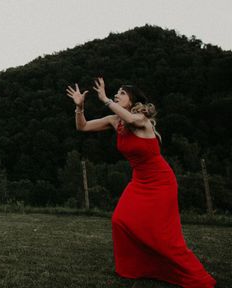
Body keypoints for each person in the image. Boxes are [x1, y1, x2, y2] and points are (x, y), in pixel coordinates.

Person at [66, 78, 216, 288]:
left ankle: (195, 276)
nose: (117, 94)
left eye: (122, 93)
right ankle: (138, 268)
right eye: (116, 92)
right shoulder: (114, 120)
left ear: (132, 100)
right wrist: (79, 107)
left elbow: (131, 119)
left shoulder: (141, 119)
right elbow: (82, 127)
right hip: (139, 181)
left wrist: (106, 99)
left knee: (162, 235)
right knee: (120, 220)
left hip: (161, 181)